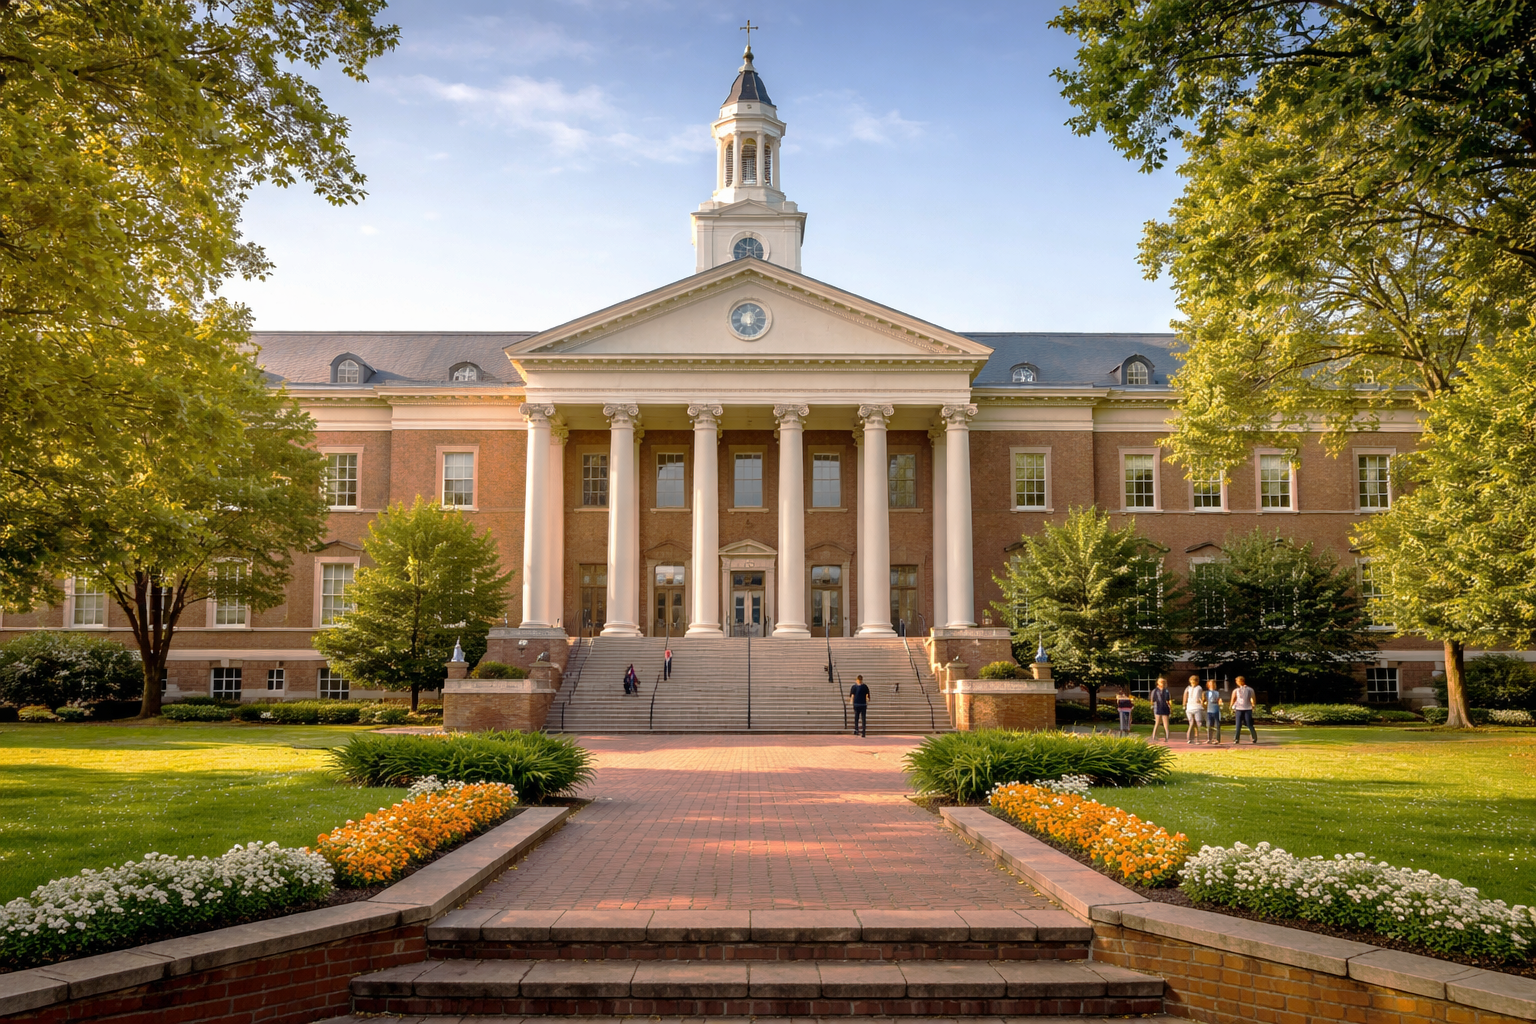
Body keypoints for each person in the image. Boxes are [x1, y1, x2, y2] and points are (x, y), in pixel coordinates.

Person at [1232, 674, 1257, 744]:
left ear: (1242, 681)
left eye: (1237, 681)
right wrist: (1231, 706)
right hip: (1239, 709)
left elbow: (1252, 698)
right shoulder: (1236, 690)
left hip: (1247, 708)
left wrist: (1253, 704)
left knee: (1249, 723)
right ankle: (1236, 739)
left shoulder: (1249, 689)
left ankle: (1254, 737)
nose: (1237, 682)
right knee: (1238, 724)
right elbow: (1233, 698)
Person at [1150, 677, 1172, 742]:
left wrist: (1170, 707)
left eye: (1163, 682)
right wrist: (1153, 706)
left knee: (1166, 724)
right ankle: (1154, 736)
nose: (1162, 683)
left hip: (1165, 708)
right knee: (1157, 722)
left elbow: (1168, 700)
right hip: (1157, 708)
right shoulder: (1155, 691)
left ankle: (1167, 737)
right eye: (1161, 682)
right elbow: (1152, 700)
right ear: (1158, 683)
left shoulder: (1166, 691)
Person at [1183, 675, 1203, 744]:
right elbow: (1185, 696)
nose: (1193, 682)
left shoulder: (1199, 688)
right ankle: (1189, 738)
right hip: (1189, 708)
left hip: (1197, 707)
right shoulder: (1188, 688)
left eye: (1194, 681)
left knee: (1197, 723)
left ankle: (1197, 739)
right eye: (1191, 681)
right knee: (1191, 723)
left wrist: (1201, 701)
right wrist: (1184, 704)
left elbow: (1201, 697)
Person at [1204, 678, 1224, 744]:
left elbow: (1220, 700)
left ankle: (1217, 739)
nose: (1212, 685)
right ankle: (1209, 739)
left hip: (1216, 710)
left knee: (1217, 725)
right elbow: (1203, 701)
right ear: (1208, 684)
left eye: (1213, 683)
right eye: (1210, 683)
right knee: (1209, 725)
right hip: (1209, 710)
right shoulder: (1206, 693)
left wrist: (1220, 702)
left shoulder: (1218, 692)